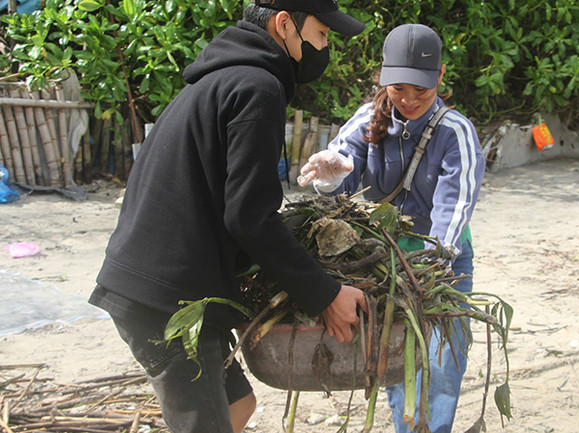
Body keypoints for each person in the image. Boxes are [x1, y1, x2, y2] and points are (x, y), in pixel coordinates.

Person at [88, 2, 369, 432]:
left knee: (238, 406)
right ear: (284, 25)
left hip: (161, 285)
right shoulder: (258, 87)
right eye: (322, 34)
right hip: (166, 302)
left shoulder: (224, 77)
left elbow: (229, 207)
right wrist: (324, 293)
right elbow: (250, 216)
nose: (324, 46)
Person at [299, 23, 484, 433]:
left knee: (440, 355)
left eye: (421, 89)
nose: (410, 99)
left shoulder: (456, 132)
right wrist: (333, 172)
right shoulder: (369, 119)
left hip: (443, 258)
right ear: (384, 79)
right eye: (400, 88)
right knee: (395, 352)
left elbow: (453, 207)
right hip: (386, 256)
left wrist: (435, 262)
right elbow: (342, 169)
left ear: (439, 77)